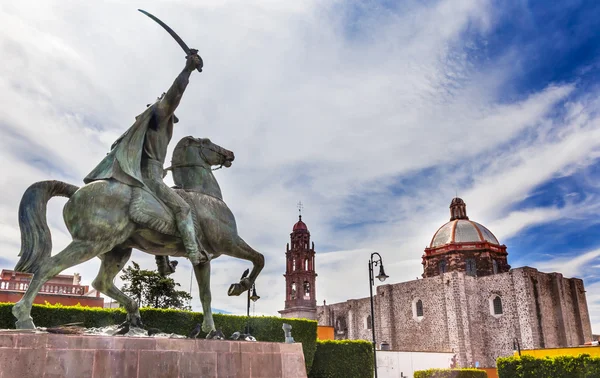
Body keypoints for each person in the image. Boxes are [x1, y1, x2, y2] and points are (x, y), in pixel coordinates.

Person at [84, 51, 206, 265]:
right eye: (171, 114)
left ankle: (163, 263)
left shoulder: (142, 130)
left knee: (164, 212)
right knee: (183, 209)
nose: (172, 118)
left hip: (144, 173)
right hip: (150, 178)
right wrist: (187, 70)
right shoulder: (159, 120)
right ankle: (194, 252)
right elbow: (174, 94)